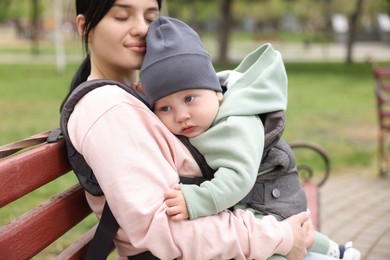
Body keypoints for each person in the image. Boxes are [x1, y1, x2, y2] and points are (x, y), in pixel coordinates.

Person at [61, 0, 340, 259]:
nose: (141, 29)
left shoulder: (147, 97)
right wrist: (279, 234)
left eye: (151, 17)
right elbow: (164, 229)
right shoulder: (109, 108)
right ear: (85, 27)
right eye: (122, 16)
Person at [139, 16, 360, 260]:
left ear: (216, 93)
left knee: (269, 250)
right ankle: (336, 250)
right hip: (263, 197)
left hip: (268, 196)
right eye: (165, 109)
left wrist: (196, 200)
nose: (181, 116)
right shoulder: (207, 118)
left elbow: (238, 178)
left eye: (189, 99)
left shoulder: (235, 125)